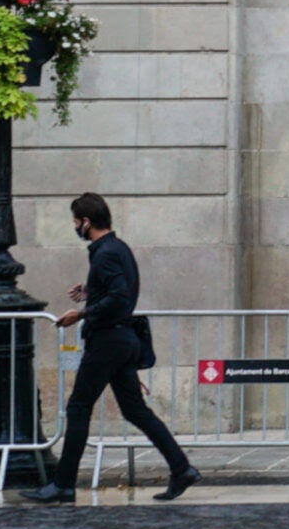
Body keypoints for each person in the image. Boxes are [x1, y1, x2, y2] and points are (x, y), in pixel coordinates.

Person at [20, 193, 198, 504]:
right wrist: (91, 291)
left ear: (86, 222)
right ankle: (181, 469)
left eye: (76, 222)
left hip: (109, 341)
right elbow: (119, 289)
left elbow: (118, 296)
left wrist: (82, 313)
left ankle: (62, 484)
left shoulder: (105, 254)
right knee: (135, 411)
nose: (75, 227)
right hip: (121, 339)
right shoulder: (116, 249)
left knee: (78, 408)